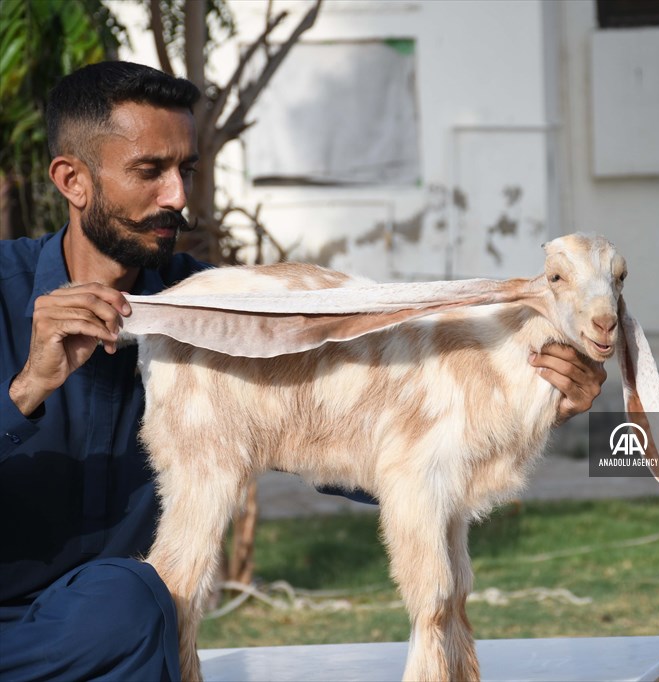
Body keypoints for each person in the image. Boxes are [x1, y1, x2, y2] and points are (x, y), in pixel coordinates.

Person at [0, 61, 606, 680]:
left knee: (131, 606)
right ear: (72, 180)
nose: (177, 196)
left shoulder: (223, 309)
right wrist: (27, 388)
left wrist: (530, 394)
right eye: (150, 171)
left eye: (186, 170)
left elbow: (355, 433)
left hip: (112, 619)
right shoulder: (4, 290)